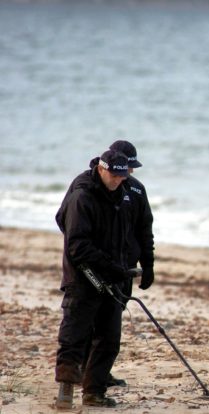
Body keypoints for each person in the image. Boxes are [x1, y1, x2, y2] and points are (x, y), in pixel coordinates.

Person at [55, 140, 155, 388]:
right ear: (103, 168)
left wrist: (147, 264)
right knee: (79, 329)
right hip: (86, 272)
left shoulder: (133, 191)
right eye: (121, 170)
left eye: (129, 170)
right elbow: (66, 226)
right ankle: (73, 384)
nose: (125, 176)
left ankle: (96, 383)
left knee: (109, 332)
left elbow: (144, 229)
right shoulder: (83, 191)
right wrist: (102, 261)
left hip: (121, 270)